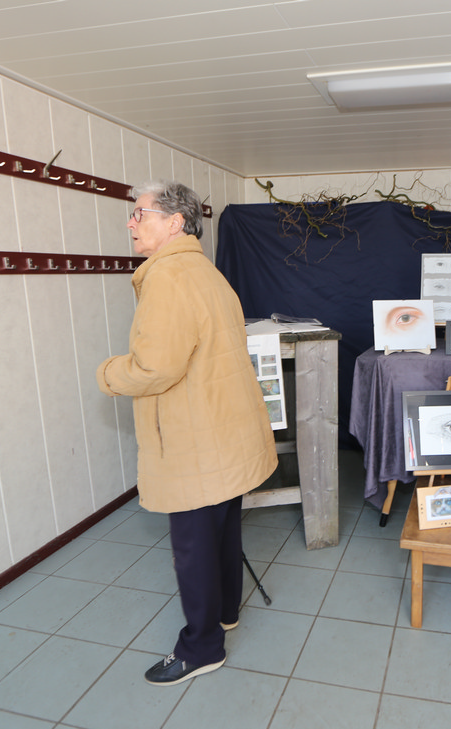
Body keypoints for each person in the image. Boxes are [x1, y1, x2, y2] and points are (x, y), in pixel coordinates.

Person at [97, 181, 277, 686]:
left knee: (195, 547)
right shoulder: (205, 271)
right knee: (223, 530)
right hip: (224, 430)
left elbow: (155, 368)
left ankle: (201, 648)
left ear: (175, 222)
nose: (131, 223)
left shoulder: (168, 277)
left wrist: (107, 373)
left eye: (140, 214)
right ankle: (226, 613)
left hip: (195, 437)